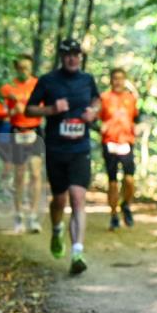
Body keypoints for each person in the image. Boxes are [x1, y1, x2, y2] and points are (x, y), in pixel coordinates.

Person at [25, 39, 101, 275]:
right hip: (56, 149)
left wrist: (94, 113)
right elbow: (29, 109)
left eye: (76, 54)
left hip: (80, 149)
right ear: (61, 56)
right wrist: (50, 110)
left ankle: (77, 251)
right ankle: (57, 228)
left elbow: (97, 100)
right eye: (68, 54)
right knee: (59, 200)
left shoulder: (87, 80)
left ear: (80, 57)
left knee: (78, 197)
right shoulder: (48, 81)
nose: (72, 58)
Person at [0, 54, 43, 234]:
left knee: (35, 174)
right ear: (16, 68)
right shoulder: (9, 87)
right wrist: (13, 109)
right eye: (21, 68)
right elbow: (2, 111)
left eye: (27, 67)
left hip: (34, 131)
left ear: (31, 68)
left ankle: (33, 216)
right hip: (17, 132)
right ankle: (18, 216)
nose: (24, 71)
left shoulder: (38, 85)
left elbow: (44, 108)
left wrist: (29, 110)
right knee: (19, 175)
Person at [99, 67, 139, 230]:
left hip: (126, 142)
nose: (118, 81)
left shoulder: (131, 98)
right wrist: (99, 127)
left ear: (125, 80)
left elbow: (137, 117)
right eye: (115, 78)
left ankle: (126, 205)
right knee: (113, 182)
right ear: (111, 80)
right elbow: (95, 118)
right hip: (109, 142)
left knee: (129, 180)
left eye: (121, 78)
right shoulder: (104, 98)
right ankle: (114, 215)